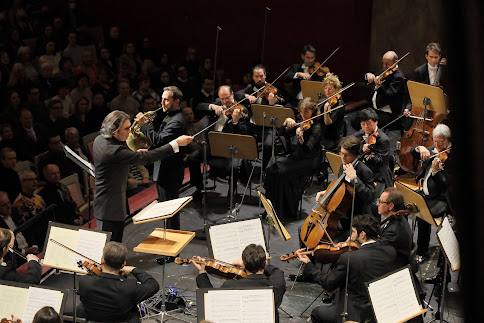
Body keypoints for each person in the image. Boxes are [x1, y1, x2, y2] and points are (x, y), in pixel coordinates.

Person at [93, 110, 192, 242]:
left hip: (108, 202)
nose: (130, 132)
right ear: (114, 131)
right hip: (110, 207)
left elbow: (119, 155)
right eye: (127, 128)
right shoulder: (114, 151)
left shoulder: (99, 139)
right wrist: (175, 144)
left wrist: (132, 154)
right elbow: (147, 158)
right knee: (111, 249)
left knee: (115, 247)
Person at [295, 214, 397, 323]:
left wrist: (309, 265)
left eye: (353, 232)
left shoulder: (349, 258)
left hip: (355, 313)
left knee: (316, 313)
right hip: (378, 308)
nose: (351, 236)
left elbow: (328, 283)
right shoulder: (390, 251)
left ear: (362, 235)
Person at [135, 86, 189, 230]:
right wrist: (149, 150)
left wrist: (143, 125)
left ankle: (172, 242)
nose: (162, 102)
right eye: (162, 99)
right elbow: (164, 143)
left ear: (177, 101)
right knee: (166, 209)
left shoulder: (177, 120)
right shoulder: (169, 116)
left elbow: (159, 140)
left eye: (166, 99)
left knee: (169, 210)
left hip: (169, 172)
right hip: (165, 169)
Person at [192, 244, 286, 322]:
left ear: (244, 265)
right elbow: (275, 270)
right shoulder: (277, 283)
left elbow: (210, 296)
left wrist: (202, 272)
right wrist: (256, 262)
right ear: (265, 264)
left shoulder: (230, 285)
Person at [264, 97, 322, 220]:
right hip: (297, 156)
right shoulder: (300, 120)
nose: (303, 115)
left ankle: (285, 211)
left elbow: (308, 149)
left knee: (283, 173)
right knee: (271, 169)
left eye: (306, 112)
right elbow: (283, 133)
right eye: (301, 112)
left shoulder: (316, 127)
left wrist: (301, 140)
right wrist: (285, 124)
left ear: (312, 112)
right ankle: (272, 206)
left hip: (309, 160)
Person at [78, 241, 159, 322]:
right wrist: (133, 269)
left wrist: (94, 273)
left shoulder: (84, 281)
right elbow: (153, 285)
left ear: (102, 259)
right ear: (123, 264)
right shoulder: (130, 287)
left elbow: (99, 286)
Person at [314, 136, 375, 241]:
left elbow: (370, 197)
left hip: (356, 220)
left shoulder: (365, 171)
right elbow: (341, 187)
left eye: (346, 155)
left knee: (329, 242)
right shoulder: (343, 166)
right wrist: (326, 192)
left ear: (356, 155)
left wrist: (355, 179)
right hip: (341, 214)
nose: (342, 157)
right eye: (341, 153)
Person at [411, 123, 452, 263]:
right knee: (402, 202)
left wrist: (436, 172)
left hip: (442, 199)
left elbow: (447, 185)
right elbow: (413, 152)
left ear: (447, 140)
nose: (437, 145)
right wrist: (420, 147)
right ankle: (406, 245)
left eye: (440, 142)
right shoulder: (434, 149)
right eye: (434, 141)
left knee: (422, 214)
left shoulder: (452, 158)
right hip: (424, 192)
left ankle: (423, 252)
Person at [364, 51, 406, 129]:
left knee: (368, 124)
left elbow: (389, 95)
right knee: (357, 120)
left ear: (395, 62)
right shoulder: (384, 71)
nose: (385, 66)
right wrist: (368, 75)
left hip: (389, 113)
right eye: (383, 63)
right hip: (376, 108)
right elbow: (372, 78)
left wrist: (379, 86)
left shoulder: (398, 77)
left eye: (388, 63)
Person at [354, 108, 393, 190]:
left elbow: (380, 162)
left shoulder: (383, 139)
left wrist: (368, 152)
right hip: (364, 169)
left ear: (376, 122)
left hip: (379, 173)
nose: (366, 127)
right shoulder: (359, 135)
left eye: (369, 124)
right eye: (363, 124)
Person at [12, 170, 49, 249]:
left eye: (35, 179)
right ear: (22, 182)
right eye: (31, 180)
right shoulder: (18, 205)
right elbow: (26, 229)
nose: (35, 182)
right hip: (37, 241)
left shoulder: (38, 197)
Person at [377, 187, 412, 267]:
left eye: (380, 202)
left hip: (394, 267)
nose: (377, 204)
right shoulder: (397, 218)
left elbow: (378, 250)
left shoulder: (394, 230)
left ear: (390, 206)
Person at [319, 74, 346, 152]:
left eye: (330, 89)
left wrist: (325, 112)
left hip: (332, 134)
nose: (327, 91)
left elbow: (328, 123)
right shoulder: (324, 98)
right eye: (325, 88)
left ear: (336, 89)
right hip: (322, 130)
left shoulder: (340, 104)